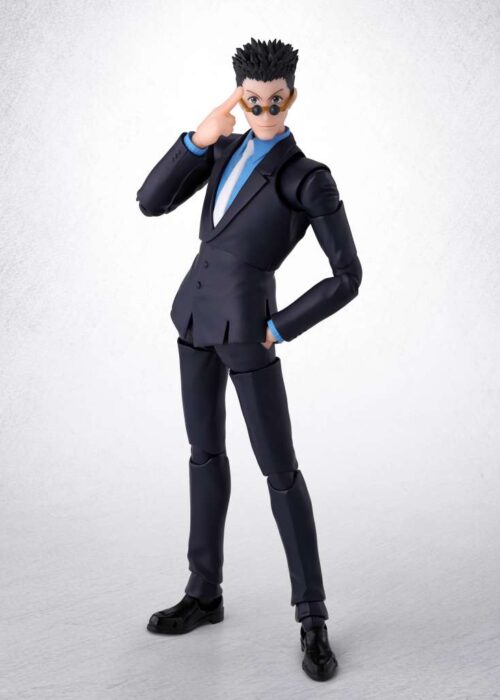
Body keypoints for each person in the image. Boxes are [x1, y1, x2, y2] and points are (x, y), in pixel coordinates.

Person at [136, 37, 362, 682]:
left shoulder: (307, 176)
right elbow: (151, 202)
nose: (264, 111)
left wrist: (279, 327)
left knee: (280, 471)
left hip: (249, 331)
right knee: (204, 456)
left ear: (292, 97)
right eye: (253, 101)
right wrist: (197, 139)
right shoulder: (223, 150)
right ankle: (203, 590)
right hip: (193, 319)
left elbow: (347, 276)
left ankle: (312, 616)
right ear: (240, 96)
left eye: (275, 101)